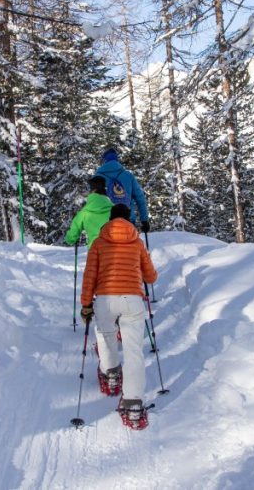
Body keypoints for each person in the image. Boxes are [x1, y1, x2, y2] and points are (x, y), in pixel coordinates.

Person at [80, 203, 158, 428]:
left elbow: (89, 276)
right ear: (128, 220)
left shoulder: (98, 242)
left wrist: (86, 305)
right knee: (134, 352)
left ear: (110, 220)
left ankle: (111, 373)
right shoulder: (137, 242)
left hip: (105, 298)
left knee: (105, 335)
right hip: (133, 299)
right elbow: (151, 277)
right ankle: (133, 403)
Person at [94, 147, 150, 234]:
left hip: (104, 222)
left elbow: (93, 202)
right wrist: (144, 220)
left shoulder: (97, 177)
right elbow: (140, 198)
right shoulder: (128, 176)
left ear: (104, 161)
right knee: (129, 246)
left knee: (105, 247)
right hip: (128, 220)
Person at [64, 175, 113, 247]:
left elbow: (71, 237)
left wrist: (69, 239)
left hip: (95, 252)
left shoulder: (84, 213)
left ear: (92, 190)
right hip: (114, 252)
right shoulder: (115, 210)